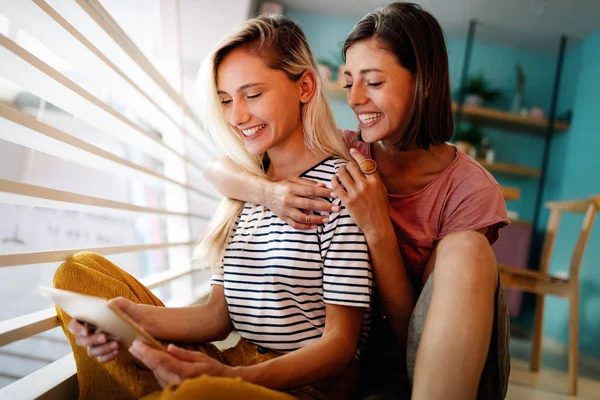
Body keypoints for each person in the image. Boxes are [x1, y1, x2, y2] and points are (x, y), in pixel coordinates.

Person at [53, 14, 373, 400]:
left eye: (252, 95)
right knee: (77, 273)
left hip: (305, 384)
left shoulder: (340, 186)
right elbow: (216, 317)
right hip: (236, 362)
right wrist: (129, 321)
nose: (237, 116)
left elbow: (341, 345)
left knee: (190, 394)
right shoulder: (251, 188)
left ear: (304, 86)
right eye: (225, 100)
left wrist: (234, 380)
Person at [204, 3, 511, 400]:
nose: (355, 99)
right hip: (348, 346)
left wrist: (377, 225)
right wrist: (273, 194)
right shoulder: (345, 151)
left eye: (374, 82)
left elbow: (410, 334)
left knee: (468, 248)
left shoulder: (470, 190)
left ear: (426, 81)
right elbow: (218, 169)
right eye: (349, 83)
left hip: (428, 351)